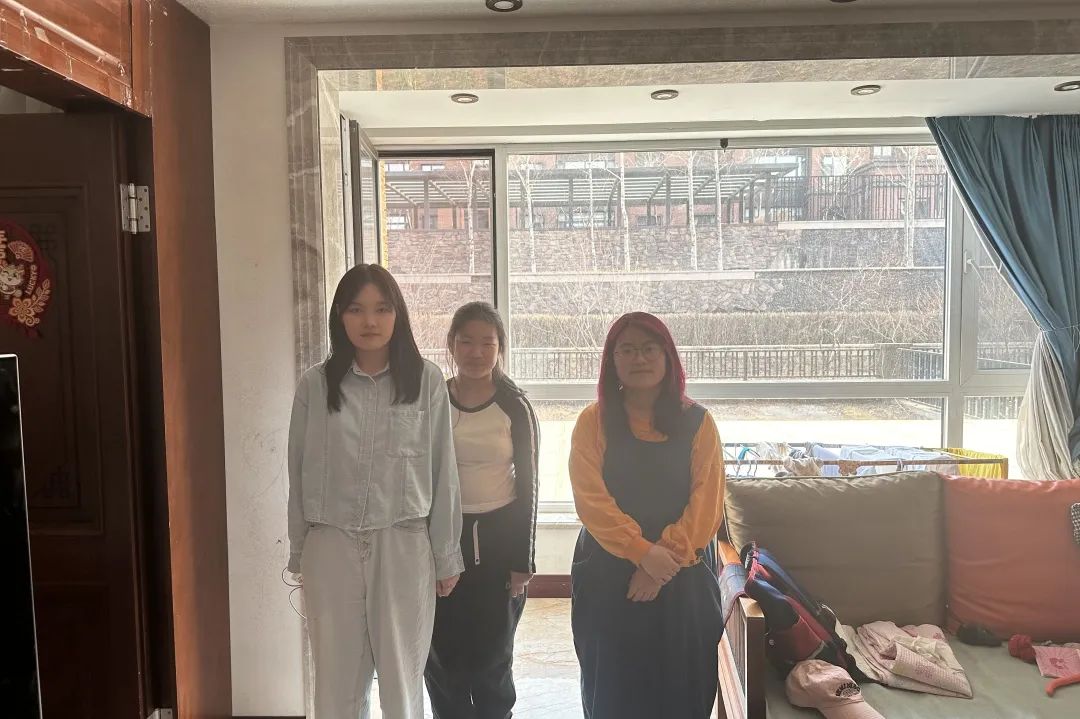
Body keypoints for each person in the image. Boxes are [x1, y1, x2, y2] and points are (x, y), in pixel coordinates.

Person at [287, 264, 463, 719]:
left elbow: (443, 471)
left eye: (382, 309)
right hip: (330, 543)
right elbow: (297, 471)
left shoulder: (425, 381)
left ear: (397, 315)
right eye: (356, 309)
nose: (369, 321)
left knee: (403, 679)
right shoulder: (315, 385)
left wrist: (446, 554)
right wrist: (300, 548)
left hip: (402, 543)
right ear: (339, 316)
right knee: (336, 682)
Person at [568, 311, 726, 719]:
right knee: (611, 688)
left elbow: (707, 502)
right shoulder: (593, 421)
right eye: (627, 350)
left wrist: (660, 563)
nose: (639, 358)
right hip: (608, 571)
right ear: (612, 360)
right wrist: (641, 552)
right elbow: (590, 500)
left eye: (649, 348)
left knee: (682, 688)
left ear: (668, 355)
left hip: (683, 573)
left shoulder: (698, 422)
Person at [425, 301, 540, 719]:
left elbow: (529, 484)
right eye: (466, 342)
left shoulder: (514, 405)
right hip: (443, 536)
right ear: (451, 345)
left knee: (493, 652)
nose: (476, 352)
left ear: (500, 348)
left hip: (498, 539)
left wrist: (522, 561)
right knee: (443, 653)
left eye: (487, 343)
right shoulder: (434, 399)